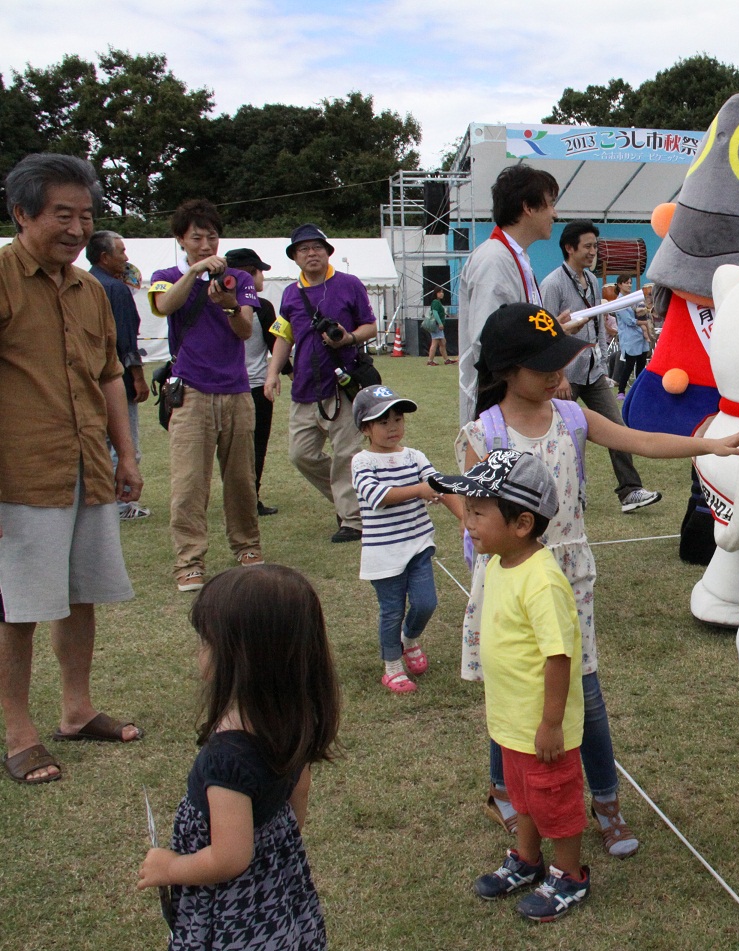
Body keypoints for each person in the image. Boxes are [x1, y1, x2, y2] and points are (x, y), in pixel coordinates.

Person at [456, 303, 739, 859]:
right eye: (543, 364)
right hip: (508, 584)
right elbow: (474, 514)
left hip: (568, 579)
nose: (556, 373)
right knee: (512, 689)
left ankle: (607, 802)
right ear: (505, 371)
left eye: (559, 361)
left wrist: (709, 446)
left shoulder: (572, 417)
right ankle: (506, 789)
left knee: (582, 692)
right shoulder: (483, 433)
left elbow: (638, 440)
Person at [1, 153, 143, 785]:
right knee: (18, 608)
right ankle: (19, 732)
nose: (78, 228)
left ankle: (77, 710)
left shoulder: (92, 291)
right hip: (21, 475)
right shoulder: (1, 278)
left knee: (80, 595)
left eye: (86, 216)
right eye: (63, 214)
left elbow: (110, 375)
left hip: (89, 469)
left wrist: (128, 454)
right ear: (22, 212)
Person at [138, 565, 338, 949]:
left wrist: (170, 867)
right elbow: (298, 806)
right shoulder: (294, 718)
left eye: (206, 642)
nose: (199, 652)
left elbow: (228, 858)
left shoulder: (226, 759)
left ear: (241, 657)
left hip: (233, 906)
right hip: (276, 882)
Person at [434, 450, 591, 921]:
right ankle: (526, 859)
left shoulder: (541, 579)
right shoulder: (501, 563)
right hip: (510, 721)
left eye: (479, 512)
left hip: (542, 729)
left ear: (522, 523)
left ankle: (570, 875)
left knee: (555, 801)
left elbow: (558, 654)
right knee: (522, 795)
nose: (468, 521)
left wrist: (550, 723)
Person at [149, 199, 263, 590]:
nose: (205, 243)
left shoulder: (238, 279)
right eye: (196, 237)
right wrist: (195, 272)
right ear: (181, 239)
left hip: (236, 391)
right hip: (191, 392)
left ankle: (247, 545)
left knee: (241, 479)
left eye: (211, 236)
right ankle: (189, 561)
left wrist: (230, 305)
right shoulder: (165, 275)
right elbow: (165, 306)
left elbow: (245, 331)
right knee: (189, 483)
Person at [265, 224, 378, 544]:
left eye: (317, 247)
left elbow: (370, 326)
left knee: (346, 453)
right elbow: (283, 337)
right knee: (301, 454)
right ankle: (350, 503)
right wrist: (273, 373)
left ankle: (353, 520)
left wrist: (349, 338)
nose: (311, 253)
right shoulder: (289, 294)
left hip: (343, 382)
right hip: (304, 384)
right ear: (295, 257)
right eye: (303, 249)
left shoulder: (349, 284)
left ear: (327, 252)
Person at [540, 221, 661, 513]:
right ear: (570, 248)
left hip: (594, 370)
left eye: (596, 246)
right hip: (564, 373)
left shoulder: (593, 282)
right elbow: (546, 334)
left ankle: (630, 490)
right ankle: (563, 493)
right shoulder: (553, 284)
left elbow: (599, 325)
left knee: (616, 427)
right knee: (563, 435)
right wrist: (559, 374)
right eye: (588, 246)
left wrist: (604, 361)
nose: (594, 251)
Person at [350, 385, 462, 693]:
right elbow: (379, 496)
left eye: (397, 420)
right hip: (384, 552)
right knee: (392, 610)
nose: (393, 427)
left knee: (426, 602)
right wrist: (419, 491)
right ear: (365, 428)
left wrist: (465, 519)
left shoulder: (414, 457)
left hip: (418, 544)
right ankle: (392, 666)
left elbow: (438, 485)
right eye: (383, 422)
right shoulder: (362, 462)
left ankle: (409, 640)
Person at [457, 163, 561, 425]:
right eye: (549, 204)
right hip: (497, 404)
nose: (554, 214)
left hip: (513, 400)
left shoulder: (515, 256)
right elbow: (490, 338)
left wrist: (552, 329)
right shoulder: (494, 259)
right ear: (528, 207)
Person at [86, 230, 150, 521]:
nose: (126, 258)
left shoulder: (85, 283)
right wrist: (137, 377)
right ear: (105, 257)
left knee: (98, 443)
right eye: (121, 252)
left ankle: (101, 502)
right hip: (117, 378)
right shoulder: (115, 288)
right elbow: (125, 339)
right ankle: (121, 505)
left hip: (89, 377)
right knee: (122, 443)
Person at [226, 248, 280, 517]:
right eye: (260, 272)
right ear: (248, 273)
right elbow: (275, 344)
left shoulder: (215, 302)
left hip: (231, 386)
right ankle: (250, 499)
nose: (262, 279)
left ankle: (241, 498)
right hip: (255, 387)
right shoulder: (261, 307)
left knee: (232, 449)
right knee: (256, 446)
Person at [611, 276, 652, 396]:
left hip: (641, 336)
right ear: (619, 284)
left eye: (630, 283)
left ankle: (638, 390)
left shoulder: (634, 299)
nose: (629, 285)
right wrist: (644, 322)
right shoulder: (619, 302)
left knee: (641, 364)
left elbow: (642, 311)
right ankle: (621, 391)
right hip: (630, 338)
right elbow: (628, 321)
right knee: (628, 365)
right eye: (626, 283)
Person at [425, 288, 453, 365]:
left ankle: (446, 359)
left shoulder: (438, 302)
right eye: (439, 292)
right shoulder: (435, 302)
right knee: (435, 343)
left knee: (442, 342)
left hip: (438, 326)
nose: (441, 294)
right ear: (436, 294)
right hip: (436, 325)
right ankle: (430, 360)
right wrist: (440, 323)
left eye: (442, 292)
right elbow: (435, 313)